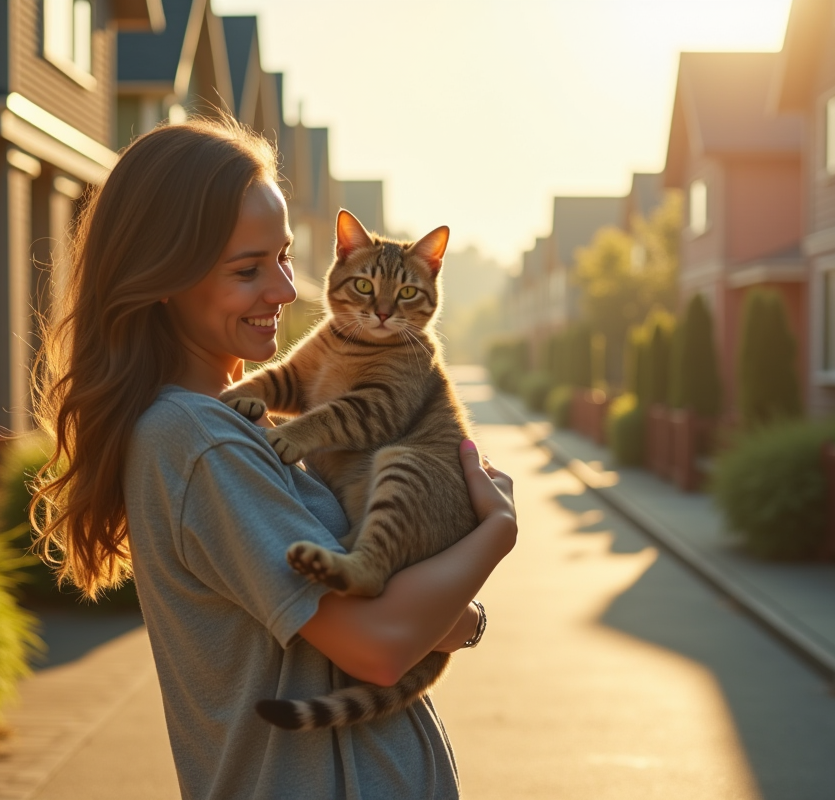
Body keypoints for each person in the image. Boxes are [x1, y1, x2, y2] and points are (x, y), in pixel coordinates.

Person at [31, 117, 517, 799]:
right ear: (164, 277)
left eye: (285, 256)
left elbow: (400, 619)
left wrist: (442, 618)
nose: (287, 291)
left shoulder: (234, 423)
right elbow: (380, 647)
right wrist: (497, 534)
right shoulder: (199, 441)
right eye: (248, 269)